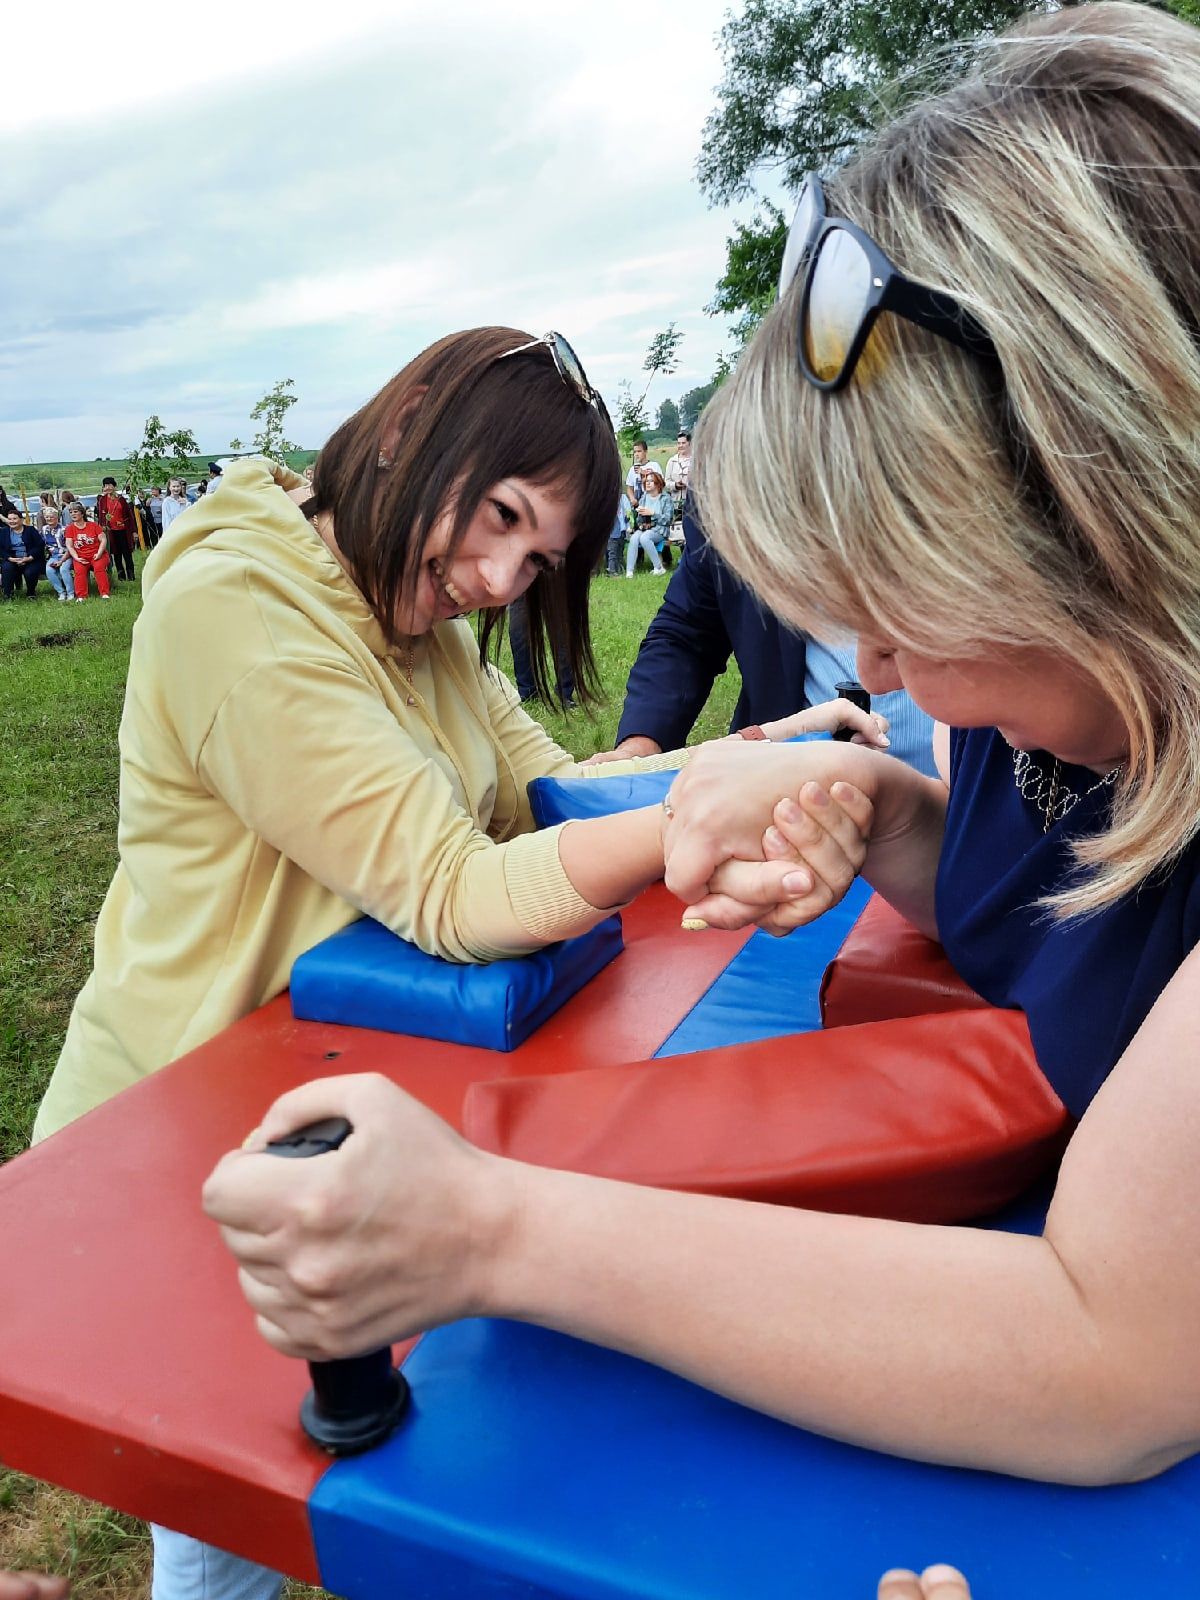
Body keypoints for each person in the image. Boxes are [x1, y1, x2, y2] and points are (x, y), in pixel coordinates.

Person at [207, 2, 1200, 1507]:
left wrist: (492, 1231)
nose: (877, 669)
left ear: (1112, 538)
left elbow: (1113, 1357)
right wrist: (879, 809)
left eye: (906, 607)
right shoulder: (1069, 707)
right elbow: (1055, 914)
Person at [34, 326, 885, 1600]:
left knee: (333, 1459)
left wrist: (745, 753)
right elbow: (454, 888)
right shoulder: (237, 609)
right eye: (497, 517)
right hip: (175, 1130)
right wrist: (697, 819)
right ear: (411, 420)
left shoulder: (418, 618)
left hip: (325, 1095)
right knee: (234, 1512)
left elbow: (552, 796)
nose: (498, 577)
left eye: (535, 557)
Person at [590, 506, 938, 777]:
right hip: (799, 804)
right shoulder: (732, 472)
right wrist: (642, 746)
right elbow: (687, 631)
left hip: (976, 802)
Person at [625, 465, 670, 577]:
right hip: (646, 528)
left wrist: (653, 513)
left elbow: (668, 519)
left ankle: (659, 567)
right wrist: (640, 516)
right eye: (646, 481)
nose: (648, 483)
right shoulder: (644, 497)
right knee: (635, 537)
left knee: (645, 538)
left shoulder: (665, 498)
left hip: (660, 529)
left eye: (651, 481)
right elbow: (640, 519)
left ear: (658, 483)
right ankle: (629, 572)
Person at [64, 500, 110, 600]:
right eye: (71, 512)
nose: (73, 514)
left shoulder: (93, 525)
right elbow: (70, 546)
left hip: (97, 554)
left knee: (99, 568)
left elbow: (103, 540)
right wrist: (76, 557)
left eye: (75, 511)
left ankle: (104, 593)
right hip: (80, 556)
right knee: (79, 571)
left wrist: (99, 553)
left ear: (82, 513)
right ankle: (81, 596)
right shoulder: (70, 529)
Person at [95, 477, 135, 582]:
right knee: (116, 553)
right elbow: (100, 516)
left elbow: (129, 516)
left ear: (114, 486)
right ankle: (121, 576)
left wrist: (134, 531)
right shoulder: (102, 500)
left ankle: (131, 576)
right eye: (105, 485)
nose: (108, 487)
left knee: (127, 553)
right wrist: (102, 526)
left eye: (110, 485)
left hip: (123, 530)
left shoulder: (121, 499)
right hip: (111, 531)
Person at [1, 509, 45, 598]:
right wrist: (9, 558)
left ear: (21, 520)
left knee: (30, 572)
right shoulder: (3, 532)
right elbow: (1, 549)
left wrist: (29, 557)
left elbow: (39, 545)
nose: (12, 521)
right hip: (12, 559)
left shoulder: (30, 530)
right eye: (10, 519)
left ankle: (31, 593)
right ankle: (8, 594)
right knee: (7, 568)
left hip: (30, 559)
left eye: (14, 519)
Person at [40, 507, 74, 602]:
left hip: (67, 555)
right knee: (49, 570)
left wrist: (61, 560)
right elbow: (42, 544)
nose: (49, 519)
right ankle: (61, 592)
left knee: (64, 569)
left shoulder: (64, 529)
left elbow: (69, 547)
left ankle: (70, 593)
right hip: (54, 556)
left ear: (57, 517)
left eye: (52, 517)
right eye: (47, 517)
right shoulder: (44, 529)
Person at [665, 429, 691, 523]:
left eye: (683, 443)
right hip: (675, 503)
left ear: (689, 443)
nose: (681, 446)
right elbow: (666, 483)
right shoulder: (672, 461)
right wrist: (675, 485)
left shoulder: (695, 461)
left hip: (691, 503)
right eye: (679, 443)